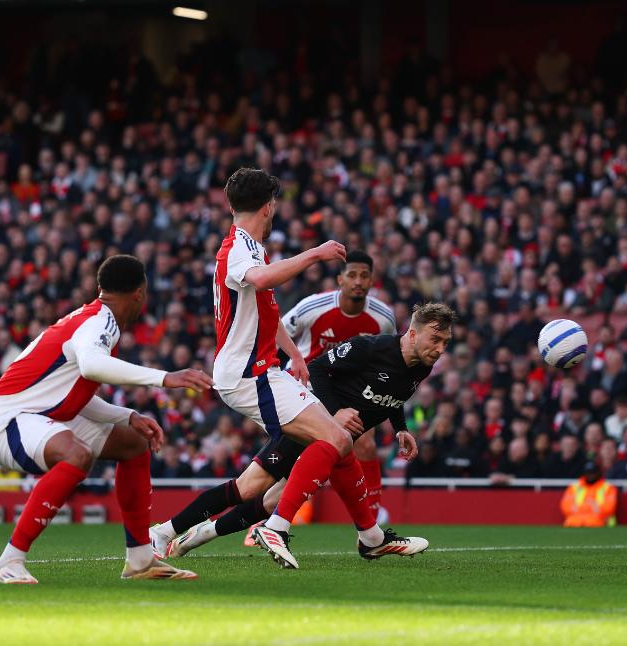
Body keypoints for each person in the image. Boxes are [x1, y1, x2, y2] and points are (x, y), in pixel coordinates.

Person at [150, 167, 423, 570]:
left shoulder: (251, 247)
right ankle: (280, 527)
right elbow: (259, 280)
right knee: (333, 439)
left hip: (266, 371)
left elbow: (264, 307)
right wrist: (314, 253)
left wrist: (294, 354)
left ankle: (167, 532)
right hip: (248, 375)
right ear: (269, 206)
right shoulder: (237, 250)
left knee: (279, 471)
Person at [0, 254, 214, 584]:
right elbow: (91, 366)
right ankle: (8, 562)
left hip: (38, 414)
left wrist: (127, 415)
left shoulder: (93, 318)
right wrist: (164, 377)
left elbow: (76, 393)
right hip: (6, 421)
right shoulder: (101, 322)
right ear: (140, 293)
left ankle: (141, 560)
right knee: (77, 454)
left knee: (134, 443)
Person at [156, 303, 453, 560]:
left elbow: (391, 395)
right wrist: (335, 411)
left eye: (445, 342)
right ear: (412, 333)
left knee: (271, 502)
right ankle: (165, 531)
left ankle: (197, 536)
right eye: (435, 339)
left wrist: (400, 428)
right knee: (246, 489)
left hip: (331, 442)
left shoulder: (421, 364)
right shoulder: (371, 347)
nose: (440, 349)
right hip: (308, 421)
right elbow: (319, 368)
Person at [279, 249, 396, 521]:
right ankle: (272, 512)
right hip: (306, 385)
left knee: (365, 443)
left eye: (364, 276)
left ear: (371, 281)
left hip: (350, 390)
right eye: (352, 275)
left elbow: (387, 358)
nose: (358, 281)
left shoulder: (383, 318)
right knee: (297, 451)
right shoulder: (313, 307)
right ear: (339, 280)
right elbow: (278, 331)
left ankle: (372, 513)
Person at [559, 461, 617, 527]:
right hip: (576, 520)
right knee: (570, 522)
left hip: (601, 522)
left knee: (593, 521)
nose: (590, 475)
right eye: (588, 473)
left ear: (598, 473)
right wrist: (590, 508)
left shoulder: (608, 487)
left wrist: (584, 509)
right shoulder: (574, 487)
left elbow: (610, 508)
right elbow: (565, 506)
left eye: (593, 473)